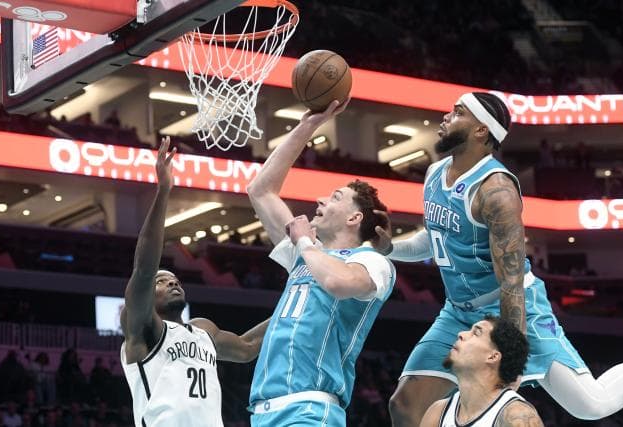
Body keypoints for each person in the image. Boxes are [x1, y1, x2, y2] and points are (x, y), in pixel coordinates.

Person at [377, 92, 623, 425]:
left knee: (590, 405)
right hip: (458, 310)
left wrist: (512, 353)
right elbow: (435, 239)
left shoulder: (496, 191)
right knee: (405, 406)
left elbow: (511, 282)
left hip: (510, 310)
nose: (445, 116)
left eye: (457, 112)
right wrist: (390, 248)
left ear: (480, 131)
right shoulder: (435, 174)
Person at [246, 99, 395, 426]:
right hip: (263, 411)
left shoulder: (372, 261)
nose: (320, 199)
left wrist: (304, 242)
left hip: (310, 409)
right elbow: (260, 190)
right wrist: (307, 126)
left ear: (355, 218)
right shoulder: (307, 254)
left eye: (335, 197)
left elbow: (338, 283)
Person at [120, 137, 269, 427]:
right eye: (163, 282)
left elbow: (248, 346)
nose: (173, 284)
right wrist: (163, 191)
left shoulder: (203, 331)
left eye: (176, 280)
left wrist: (298, 297)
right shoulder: (142, 327)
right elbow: (144, 269)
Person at [420, 316, 542, 427]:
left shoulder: (518, 416)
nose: (461, 334)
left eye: (476, 333)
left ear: (493, 357)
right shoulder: (437, 412)